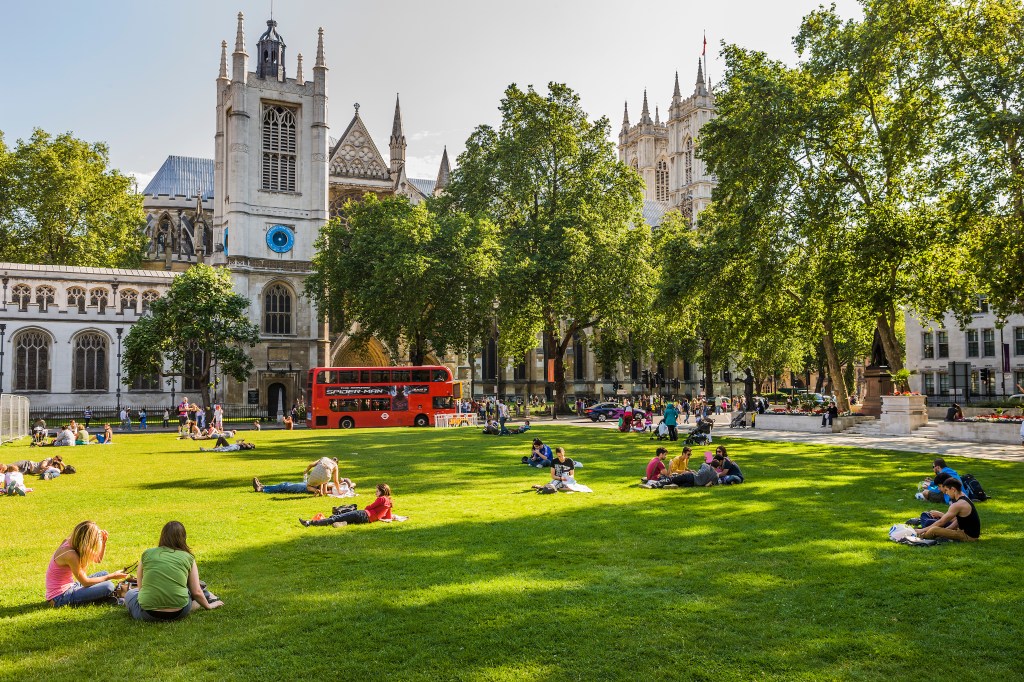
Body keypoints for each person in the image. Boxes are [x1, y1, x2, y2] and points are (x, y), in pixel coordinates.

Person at [124, 521, 223, 622]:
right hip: (179, 612)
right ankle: (198, 602)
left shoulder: (147, 554)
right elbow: (196, 591)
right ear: (183, 538)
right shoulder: (188, 557)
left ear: (162, 536)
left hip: (148, 614)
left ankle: (195, 601)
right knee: (192, 589)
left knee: (130, 594)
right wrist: (209, 606)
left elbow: (141, 588)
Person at [45, 521, 128, 607]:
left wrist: (104, 543)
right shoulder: (70, 555)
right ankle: (108, 597)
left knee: (104, 573)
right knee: (108, 586)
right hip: (59, 597)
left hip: (71, 586)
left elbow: (97, 559)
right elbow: (85, 582)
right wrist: (112, 576)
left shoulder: (73, 543)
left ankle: (106, 597)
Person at [916, 479, 981, 542]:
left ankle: (918, 535)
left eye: (947, 490)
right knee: (936, 528)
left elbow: (941, 522)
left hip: (968, 537)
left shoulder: (958, 504)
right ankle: (926, 533)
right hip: (968, 534)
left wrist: (922, 530)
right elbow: (958, 521)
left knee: (934, 530)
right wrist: (946, 530)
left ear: (953, 489)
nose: (946, 493)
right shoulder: (964, 497)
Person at [301, 483, 393, 527]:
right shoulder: (389, 501)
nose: (376, 493)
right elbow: (388, 515)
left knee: (336, 517)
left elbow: (370, 507)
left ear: (382, 491)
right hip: (366, 520)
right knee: (346, 518)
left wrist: (367, 508)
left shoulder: (381, 499)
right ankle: (342, 524)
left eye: (377, 491)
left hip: (363, 514)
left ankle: (309, 523)